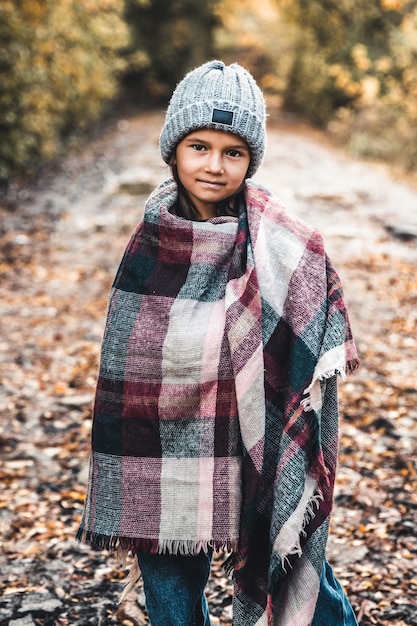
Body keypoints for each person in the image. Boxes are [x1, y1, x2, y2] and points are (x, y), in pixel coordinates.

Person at [76, 60, 361, 626]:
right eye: (199, 146)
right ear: (173, 150)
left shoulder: (282, 240)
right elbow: (132, 352)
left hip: (252, 430)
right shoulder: (149, 241)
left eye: (233, 152)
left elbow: (312, 339)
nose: (214, 165)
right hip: (159, 439)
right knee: (166, 571)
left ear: (250, 161)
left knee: (297, 560)